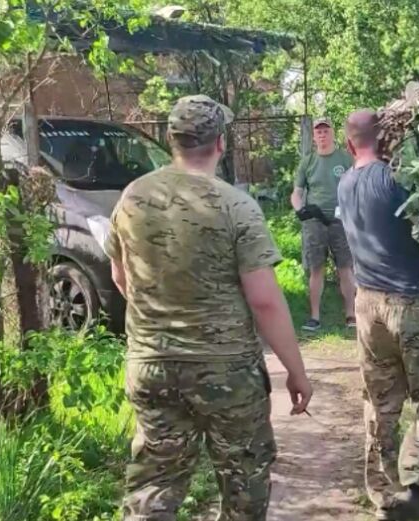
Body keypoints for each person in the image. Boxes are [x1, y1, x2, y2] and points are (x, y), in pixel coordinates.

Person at [105, 94, 313, 521]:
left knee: (154, 486)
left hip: (152, 365)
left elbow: (121, 277)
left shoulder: (132, 198)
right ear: (221, 142)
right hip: (227, 374)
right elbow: (265, 301)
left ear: (170, 139)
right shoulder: (235, 206)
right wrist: (296, 370)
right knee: (243, 484)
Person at [337, 110, 419, 521]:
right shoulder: (395, 180)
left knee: (380, 400)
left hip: (366, 305)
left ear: (350, 144)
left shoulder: (344, 183)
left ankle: (383, 494)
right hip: (407, 303)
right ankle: (417, 485)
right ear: (384, 141)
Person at [290, 117, 356, 331]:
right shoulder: (307, 161)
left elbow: (356, 186)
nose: (322, 134)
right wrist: (300, 209)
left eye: (325, 131)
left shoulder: (345, 159)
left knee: (345, 267)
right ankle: (315, 317)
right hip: (315, 222)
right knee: (316, 269)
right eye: (318, 131)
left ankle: (351, 314)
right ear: (314, 136)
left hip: (341, 221)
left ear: (332, 133)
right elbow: (297, 193)